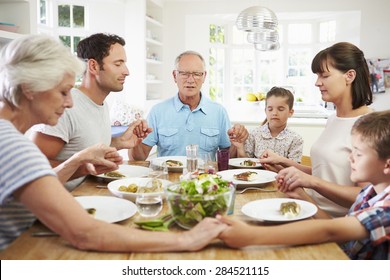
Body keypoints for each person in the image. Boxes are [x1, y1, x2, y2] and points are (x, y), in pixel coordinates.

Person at [0, 34, 226, 252]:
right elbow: (85, 233)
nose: (70, 102)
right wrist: (186, 239)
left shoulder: (9, 139)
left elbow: (39, 181)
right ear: (29, 89)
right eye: (63, 91)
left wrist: (85, 159)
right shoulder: (11, 146)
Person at [219, 110, 390, 260]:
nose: (349, 158)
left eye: (358, 154)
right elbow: (342, 236)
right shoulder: (369, 193)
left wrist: (252, 236)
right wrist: (303, 196)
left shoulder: (386, 211)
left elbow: (330, 231)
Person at [258, 42, 373, 217]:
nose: (317, 83)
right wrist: (284, 163)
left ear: (349, 76)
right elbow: (328, 173)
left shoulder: (370, 126)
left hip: (338, 225)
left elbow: (367, 198)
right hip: (309, 210)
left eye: (324, 76)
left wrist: (311, 183)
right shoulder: (333, 119)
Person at [29, 33, 152, 190]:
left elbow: (84, 147)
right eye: (118, 64)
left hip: (90, 195)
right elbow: (34, 166)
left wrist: (120, 142)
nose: (126, 71)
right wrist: (82, 167)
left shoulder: (102, 104)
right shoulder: (65, 106)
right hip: (64, 202)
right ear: (93, 66)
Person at [130, 50, 248, 161]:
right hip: (168, 180)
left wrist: (236, 145)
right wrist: (134, 141)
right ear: (174, 76)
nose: (190, 80)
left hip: (205, 180)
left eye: (197, 74)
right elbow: (138, 159)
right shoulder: (158, 111)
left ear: (204, 77)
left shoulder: (218, 112)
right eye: (184, 74)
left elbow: (228, 159)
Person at [232, 86, 303, 165]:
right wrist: (240, 148)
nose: (274, 113)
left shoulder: (296, 139)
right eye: (270, 109)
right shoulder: (253, 134)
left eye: (280, 109)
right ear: (265, 111)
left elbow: (295, 170)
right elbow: (246, 164)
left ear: (290, 112)